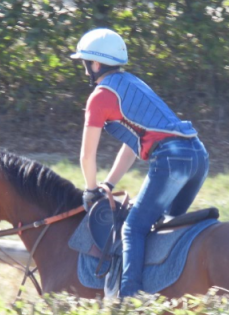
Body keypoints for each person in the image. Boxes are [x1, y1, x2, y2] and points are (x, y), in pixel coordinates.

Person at [71, 28, 209, 298]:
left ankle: (128, 302)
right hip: (198, 156)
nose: (85, 71)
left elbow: (87, 155)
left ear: (96, 64)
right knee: (166, 224)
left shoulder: (100, 96)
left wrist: (90, 190)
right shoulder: (132, 83)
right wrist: (108, 183)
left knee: (134, 227)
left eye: (85, 64)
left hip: (172, 160)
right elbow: (132, 145)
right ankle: (165, 291)